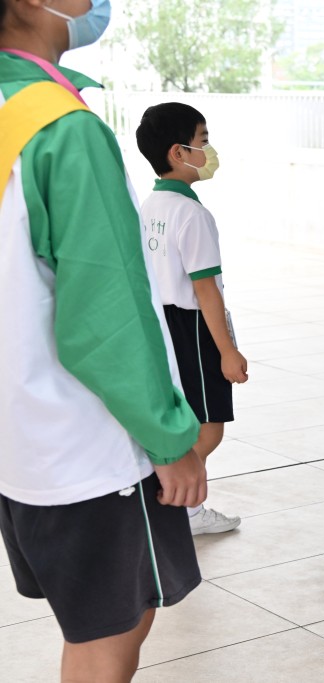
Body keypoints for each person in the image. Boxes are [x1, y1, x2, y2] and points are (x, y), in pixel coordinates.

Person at [0, 2, 206, 681]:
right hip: (89, 444)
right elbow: (105, 315)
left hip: (19, 438)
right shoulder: (58, 127)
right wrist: (169, 440)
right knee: (112, 633)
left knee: (90, 624)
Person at [136, 102, 246, 535]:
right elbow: (205, 290)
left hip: (160, 324)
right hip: (192, 326)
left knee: (183, 420)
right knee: (208, 428)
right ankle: (180, 505)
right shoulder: (193, 215)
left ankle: (176, 503)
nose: (209, 151)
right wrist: (228, 351)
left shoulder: (149, 206)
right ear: (177, 153)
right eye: (202, 141)